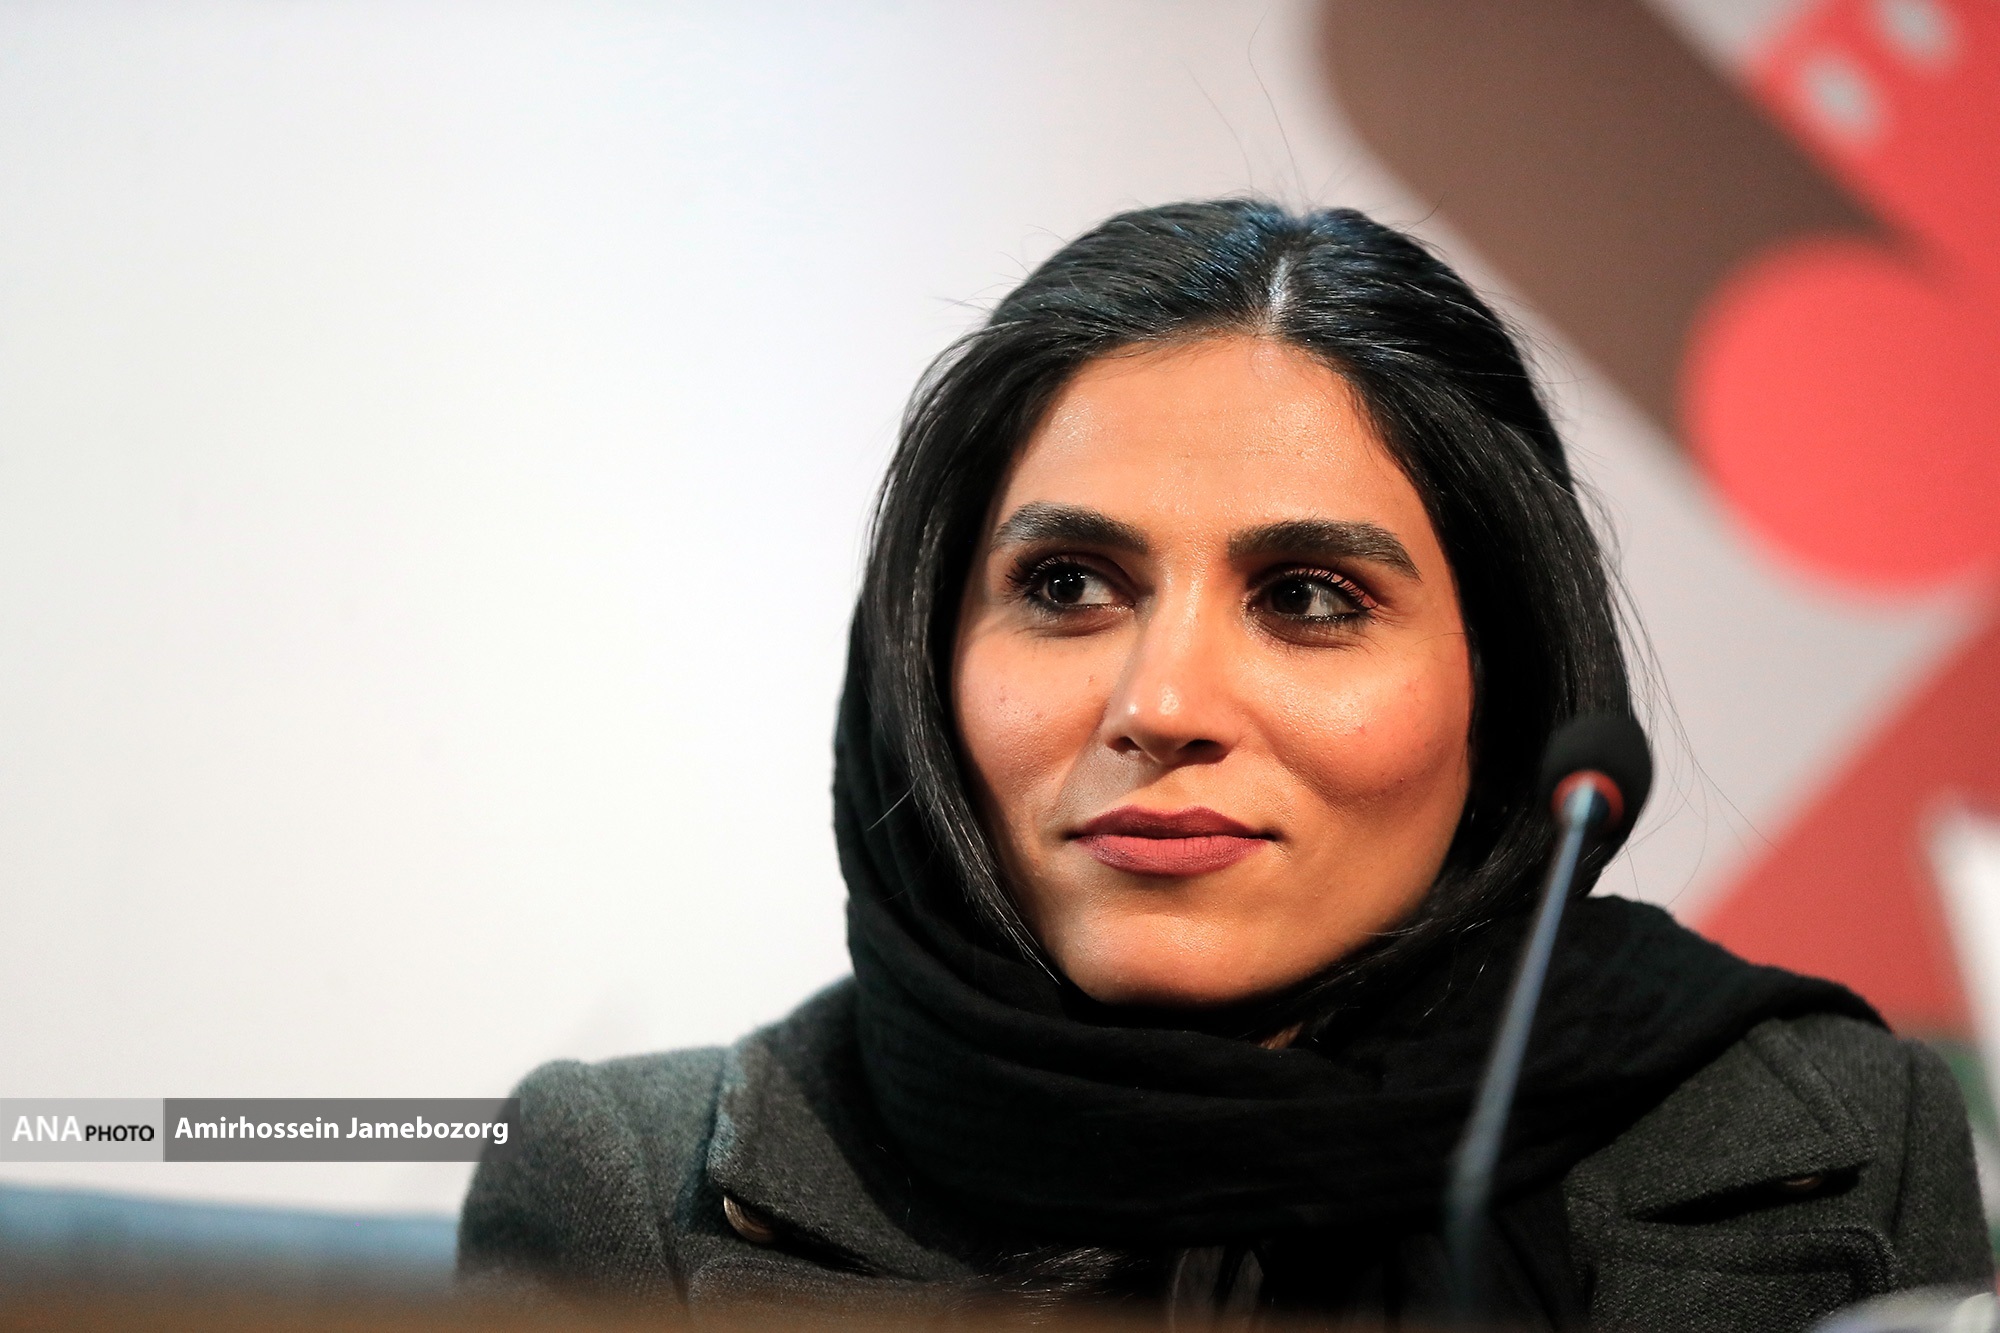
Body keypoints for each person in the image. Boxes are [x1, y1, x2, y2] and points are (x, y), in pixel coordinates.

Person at [456, 201, 1991, 1329]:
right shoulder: (627, 1185)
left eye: (1308, 598)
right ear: (922, 663)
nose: (1163, 701)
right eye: (1068, 585)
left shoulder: (1830, 1142)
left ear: (1503, 688)